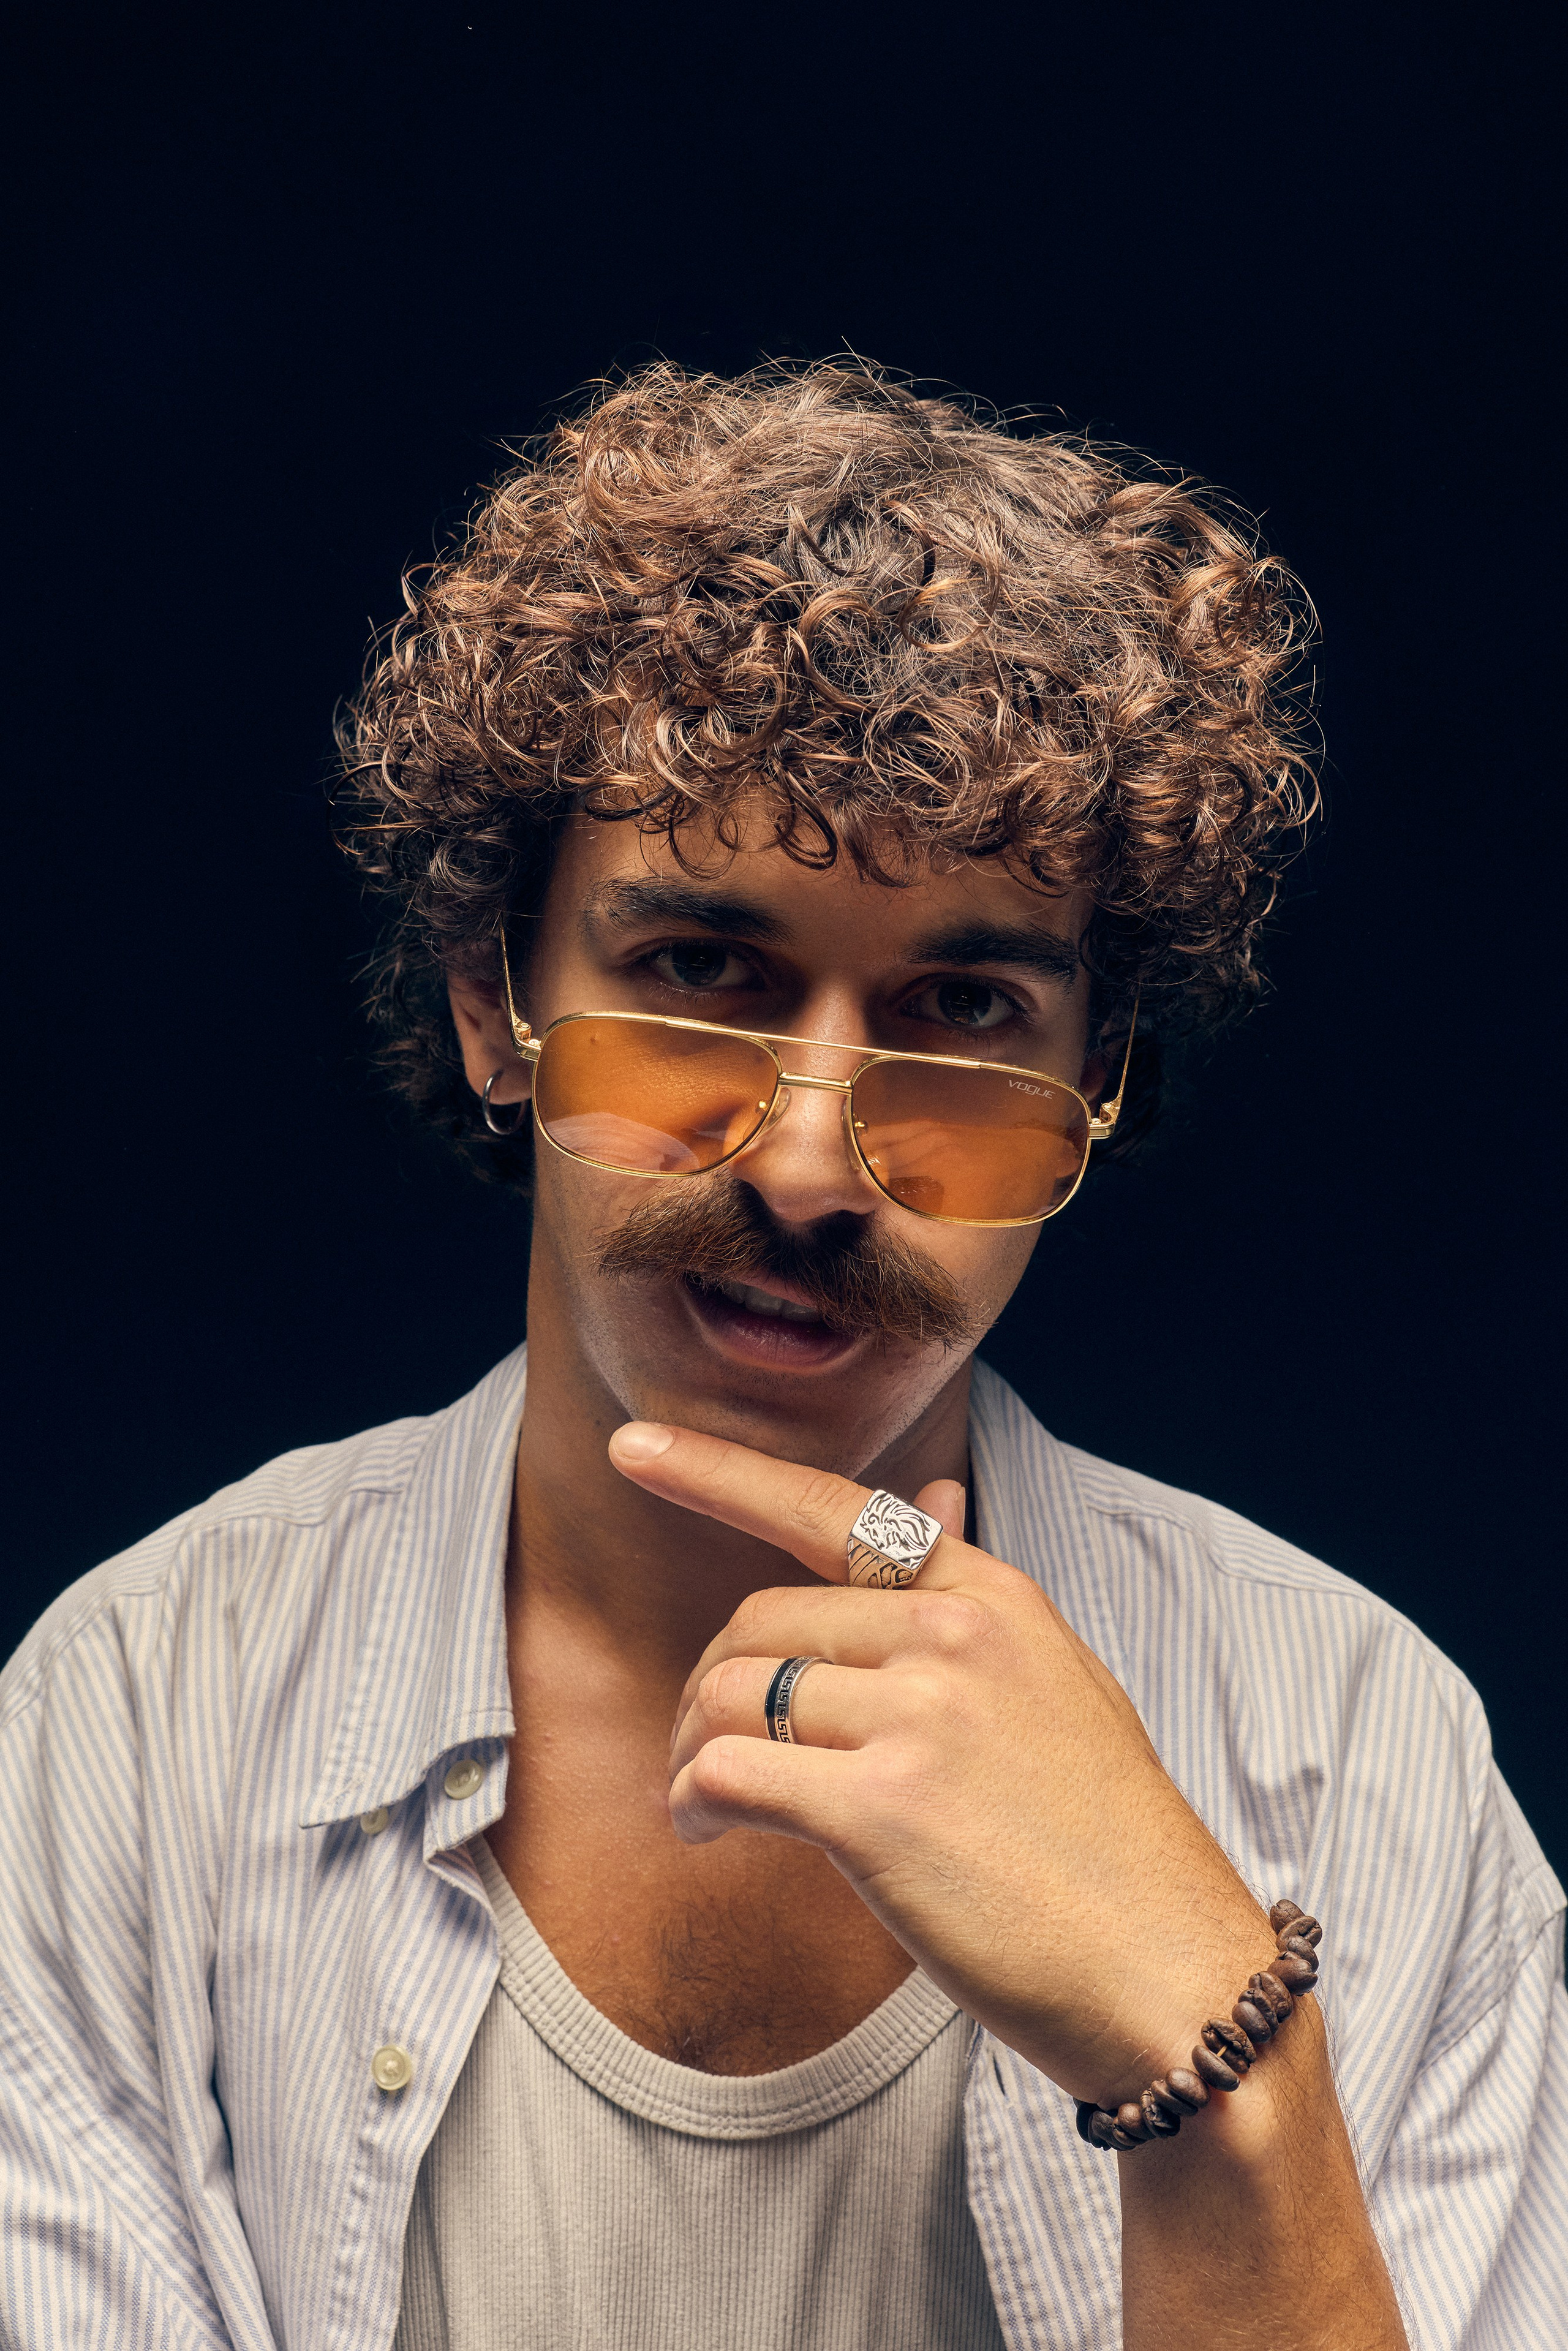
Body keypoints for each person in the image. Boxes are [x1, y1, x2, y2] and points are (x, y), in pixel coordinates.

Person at [1, 363, 1561, 2351]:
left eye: (965, 1009)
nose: (813, 1164)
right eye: (700, 973)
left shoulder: (1360, 1758)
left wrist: (1220, 2061)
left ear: (1093, 1088)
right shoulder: (135, 1727)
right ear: (500, 1006)